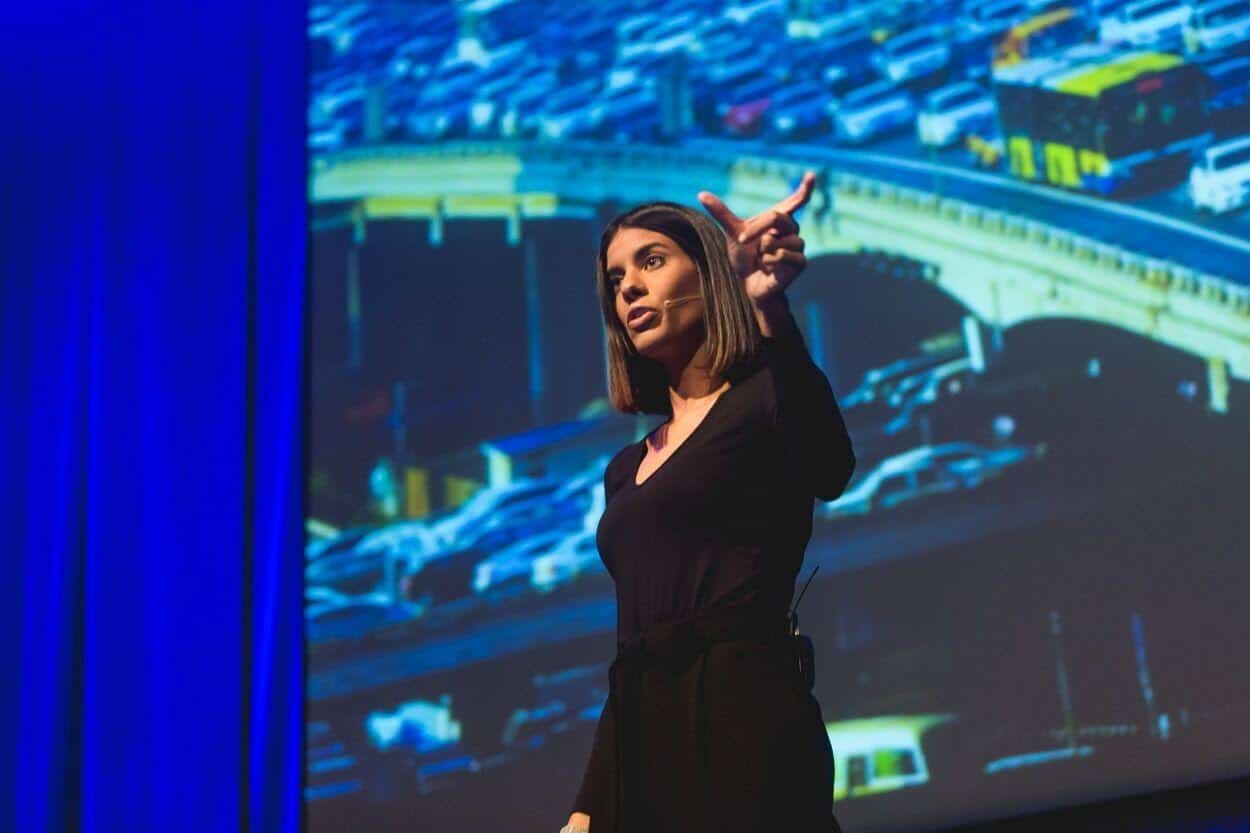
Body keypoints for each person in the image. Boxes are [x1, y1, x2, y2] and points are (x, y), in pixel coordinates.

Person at [558, 172, 856, 833]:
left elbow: (830, 466)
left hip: (744, 720)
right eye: (615, 279)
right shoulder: (626, 470)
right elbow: (633, 651)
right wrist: (585, 809)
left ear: (710, 275)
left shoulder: (761, 399)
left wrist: (768, 307)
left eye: (652, 261)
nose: (629, 285)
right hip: (643, 749)